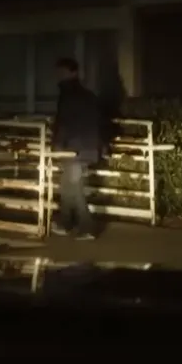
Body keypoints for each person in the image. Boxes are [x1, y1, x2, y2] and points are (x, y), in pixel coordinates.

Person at [51, 57, 101, 240]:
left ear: (73, 73)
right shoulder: (86, 95)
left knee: (75, 188)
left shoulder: (68, 95)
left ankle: (87, 227)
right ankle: (65, 222)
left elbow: (65, 122)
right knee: (68, 186)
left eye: (62, 72)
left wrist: (58, 144)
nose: (58, 76)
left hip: (74, 149)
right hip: (83, 147)